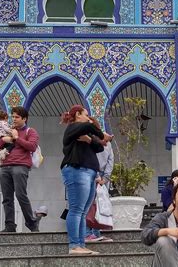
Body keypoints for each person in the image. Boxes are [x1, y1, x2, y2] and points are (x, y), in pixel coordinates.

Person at [60, 105, 113, 255]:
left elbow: (100, 147)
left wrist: (89, 139)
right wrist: (97, 132)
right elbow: (99, 135)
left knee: (83, 211)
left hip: (89, 172)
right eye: (86, 115)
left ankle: (81, 244)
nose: (88, 118)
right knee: (76, 209)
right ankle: (74, 245)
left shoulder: (83, 131)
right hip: (77, 170)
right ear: (78, 115)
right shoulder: (73, 128)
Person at [0, 106, 41, 233]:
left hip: (21, 166)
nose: (14, 119)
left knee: (21, 195)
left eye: (17, 117)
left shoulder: (30, 131)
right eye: (13, 117)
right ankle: (10, 226)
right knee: (7, 198)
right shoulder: (9, 130)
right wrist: (5, 139)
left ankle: (31, 223)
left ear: (24, 119)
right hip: (5, 166)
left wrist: (16, 138)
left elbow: (32, 146)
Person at [85, 117, 115, 243]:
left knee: (99, 205)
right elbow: (90, 158)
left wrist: (105, 178)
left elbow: (110, 159)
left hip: (101, 176)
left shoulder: (103, 140)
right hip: (93, 173)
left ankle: (96, 233)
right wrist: (99, 177)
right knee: (90, 204)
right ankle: (87, 233)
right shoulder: (88, 140)